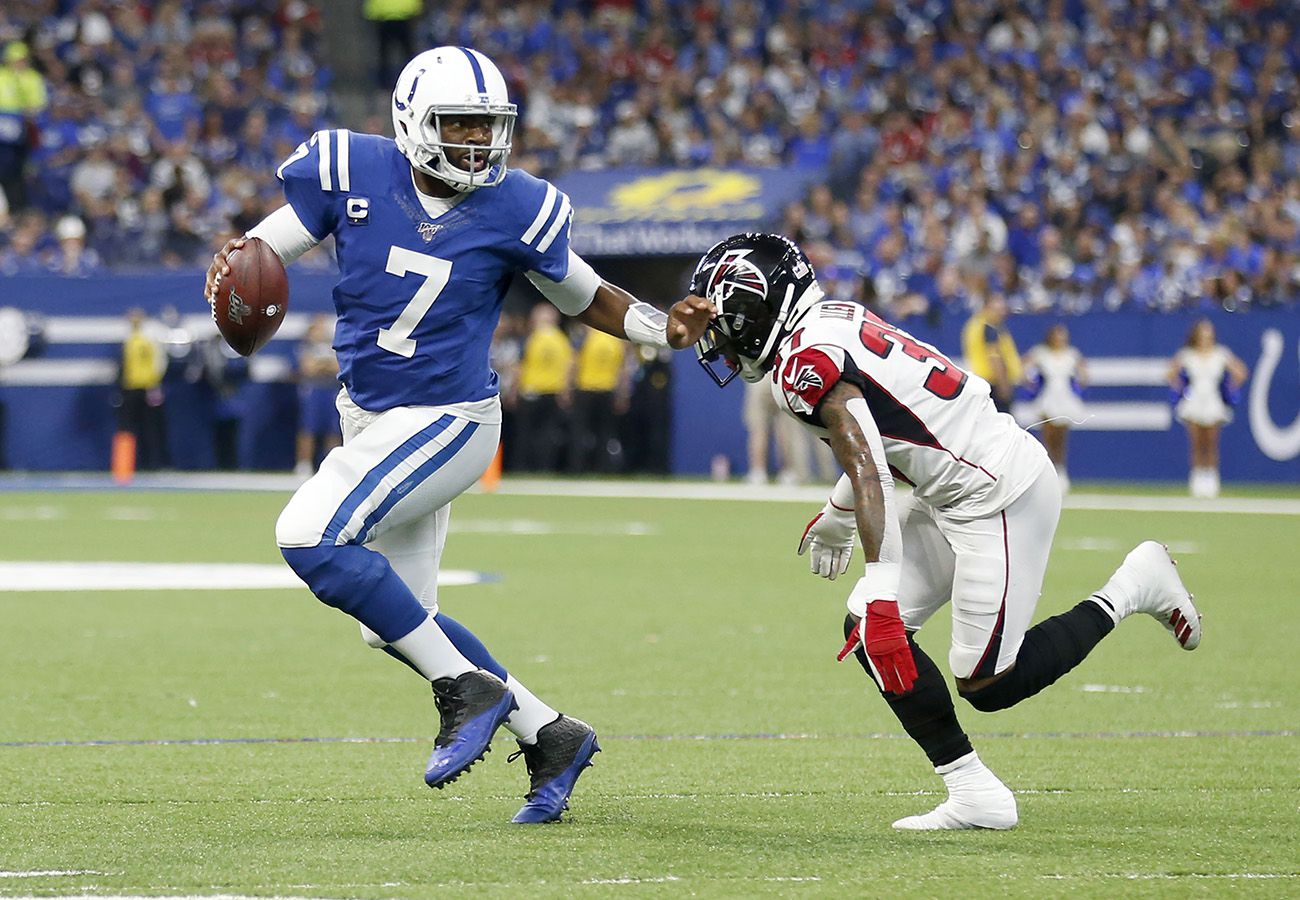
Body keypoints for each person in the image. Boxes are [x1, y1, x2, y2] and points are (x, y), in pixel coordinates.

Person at [204, 47, 711, 824]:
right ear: (412, 122)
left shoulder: (518, 207)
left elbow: (587, 296)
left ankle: (465, 690)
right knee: (397, 621)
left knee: (306, 534)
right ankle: (550, 733)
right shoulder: (347, 167)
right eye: (459, 125)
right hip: (372, 418)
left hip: (449, 417)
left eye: (488, 126)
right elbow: (264, 250)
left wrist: (661, 330)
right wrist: (240, 269)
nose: (476, 143)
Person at [691, 233, 1202, 831]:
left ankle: (1134, 586)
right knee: (867, 628)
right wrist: (838, 515)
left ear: (759, 307)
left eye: (724, 319)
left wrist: (875, 570)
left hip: (999, 493)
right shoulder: (828, 320)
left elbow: (870, 465)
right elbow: (883, 436)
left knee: (986, 683)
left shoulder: (805, 363)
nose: (719, 338)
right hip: (953, 488)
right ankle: (972, 790)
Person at [1168, 319, 1249, 498]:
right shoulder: (1187, 354)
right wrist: (1179, 387)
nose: (1206, 336)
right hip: (1195, 399)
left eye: (1209, 333)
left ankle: (1212, 481)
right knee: (1196, 443)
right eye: (1203, 333)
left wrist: (1230, 387)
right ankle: (1196, 481)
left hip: (1212, 400)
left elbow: (1241, 372)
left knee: (1211, 442)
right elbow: (1170, 373)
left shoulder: (1221, 354)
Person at [1022, 323, 1088, 494]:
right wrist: (1032, 384)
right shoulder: (1041, 353)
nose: (1061, 339)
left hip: (1065, 398)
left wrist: (1078, 383)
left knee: (1061, 439)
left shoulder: (1072, 354)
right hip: (1048, 397)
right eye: (1058, 335)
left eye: (1063, 335)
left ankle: (1061, 475)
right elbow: (1024, 368)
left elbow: (1084, 375)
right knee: (1048, 438)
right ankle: (1046, 476)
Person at [515, 303, 573, 473]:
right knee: (548, 433)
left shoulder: (531, 338)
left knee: (525, 433)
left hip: (531, 391)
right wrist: (566, 391)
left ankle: (523, 468)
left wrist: (514, 390)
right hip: (553, 392)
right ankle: (545, 467)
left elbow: (521, 365)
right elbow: (570, 367)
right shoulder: (562, 339)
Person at [116, 308, 169, 472]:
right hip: (131, 387)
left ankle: (154, 464)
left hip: (147, 386)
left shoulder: (149, 338)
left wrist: (155, 384)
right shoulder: (130, 339)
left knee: (151, 426)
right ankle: (127, 465)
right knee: (129, 427)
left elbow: (160, 362)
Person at [295, 314, 342, 478]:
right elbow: (308, 368)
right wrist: (325, 365)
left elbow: (338, 367)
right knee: (309, 427)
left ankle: (331, 464)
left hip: (332, 389)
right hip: (314, 389)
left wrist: (321, 365)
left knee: (334, 429)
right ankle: (303, 464)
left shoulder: (335, 346)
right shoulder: (307, 346)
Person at [960, 294, 1022, 413]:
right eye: (998, 309)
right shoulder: (989, 327)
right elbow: (994, 357)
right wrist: (1003, 385)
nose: (1002, 313)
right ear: (987, 307)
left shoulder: (974, 324)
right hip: (994, 384)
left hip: (981, 382)